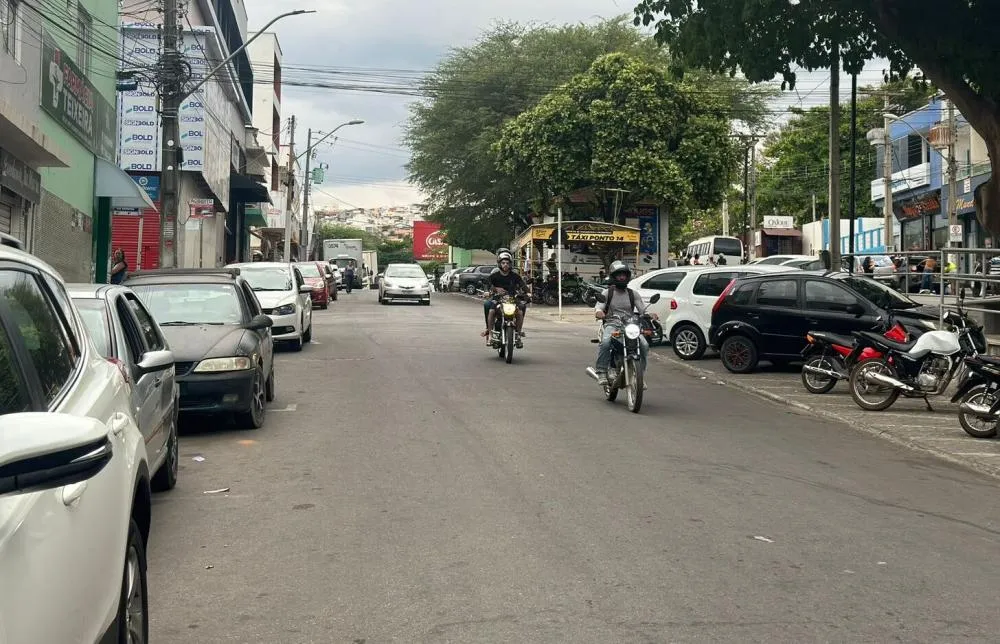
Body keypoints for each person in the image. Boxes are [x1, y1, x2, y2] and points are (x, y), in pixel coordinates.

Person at [593, 261, 657, 388]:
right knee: (606, 342)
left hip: (630, 325)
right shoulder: (607, 293)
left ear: (628, 276)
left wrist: (650, 314)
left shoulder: (633, 294)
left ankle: (639, 376)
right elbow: (599, 307)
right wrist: (599, 312)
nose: (622, 277)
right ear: (613, 276)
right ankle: (601, 371)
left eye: (624, 275)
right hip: (612, 324)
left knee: (644, 345)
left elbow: (642, 310)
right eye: (619, 275)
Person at [481, 250, 527, 347]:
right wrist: (488, 291)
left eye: (507, 263)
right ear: (499, 264)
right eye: (503, 263)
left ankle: (518, 334)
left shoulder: (515, 276)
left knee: (521, 309)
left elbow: (523, 285)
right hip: (498, 299)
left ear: (510, 264)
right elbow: (487, 284)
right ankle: (489, 333)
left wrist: (529, 292)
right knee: (490, 309)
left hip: (512, 299)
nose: (505, 265)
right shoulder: (494, 276)